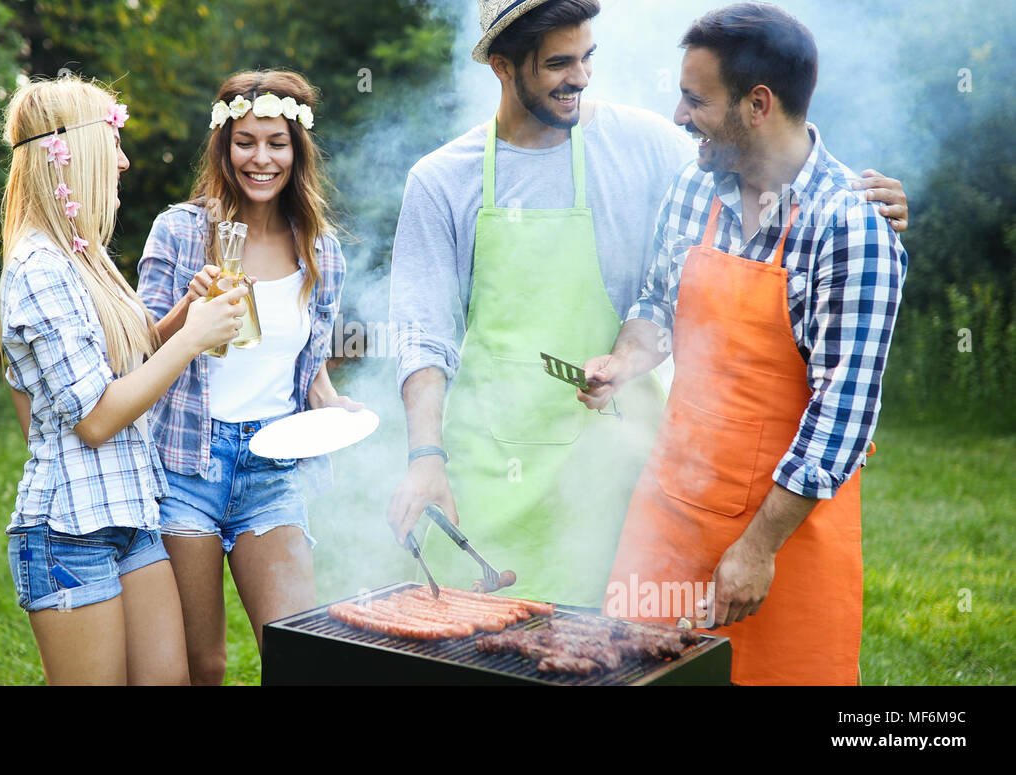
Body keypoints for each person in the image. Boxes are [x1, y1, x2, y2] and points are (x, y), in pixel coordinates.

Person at [385, 0, 909, 607]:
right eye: (559, 63)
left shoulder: (647, 146)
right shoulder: (442, 179)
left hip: (618, 475)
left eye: (587, 57)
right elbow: (423, 334)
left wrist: (859, 197)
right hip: (489, 473)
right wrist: (425, 456)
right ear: (503, 67)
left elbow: (761, 144)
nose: (580, 77)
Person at [581, 3, 908, 685]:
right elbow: (657, 304)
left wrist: (757, 548)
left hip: (783, 540)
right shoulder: (693, 186)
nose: (676, 115)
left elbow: (841, 416)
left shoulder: (851, 230)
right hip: (668, 518)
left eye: (695, 99)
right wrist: (626, 357)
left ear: (758, 104)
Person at [0, 76, 249, 685]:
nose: (125, 159)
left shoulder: (85, 254)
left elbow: (123, 367)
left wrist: (183, 316)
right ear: (73, 152)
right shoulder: (39, 269)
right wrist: (193, 340)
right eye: (114, 143)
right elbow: (98, 417)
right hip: (68, 531)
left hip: (130, 514)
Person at [138, 70, 358, 685]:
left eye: (277, 142)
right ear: (223, 146)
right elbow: (136, 352)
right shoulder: (180, 230)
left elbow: (306, 365)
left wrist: (332, 404)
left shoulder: (321, 250)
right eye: (245, 141)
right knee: (202, 664)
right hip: (186, 464)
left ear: (298, 149)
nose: (261, 158)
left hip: (273, 466)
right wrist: (190, 309)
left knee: (297, 656)